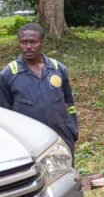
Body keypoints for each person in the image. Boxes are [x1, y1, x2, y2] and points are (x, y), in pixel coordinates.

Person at [0, 23, 78, 151]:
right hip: (28, 140)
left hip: (61, 137)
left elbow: (69, 104)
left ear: (42, 42)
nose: (28, 47)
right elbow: (4, 113)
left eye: (33, 42)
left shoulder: (58, 68)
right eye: (24, 42)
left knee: (65, 170)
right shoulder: (8, 74)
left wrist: (73, 129)